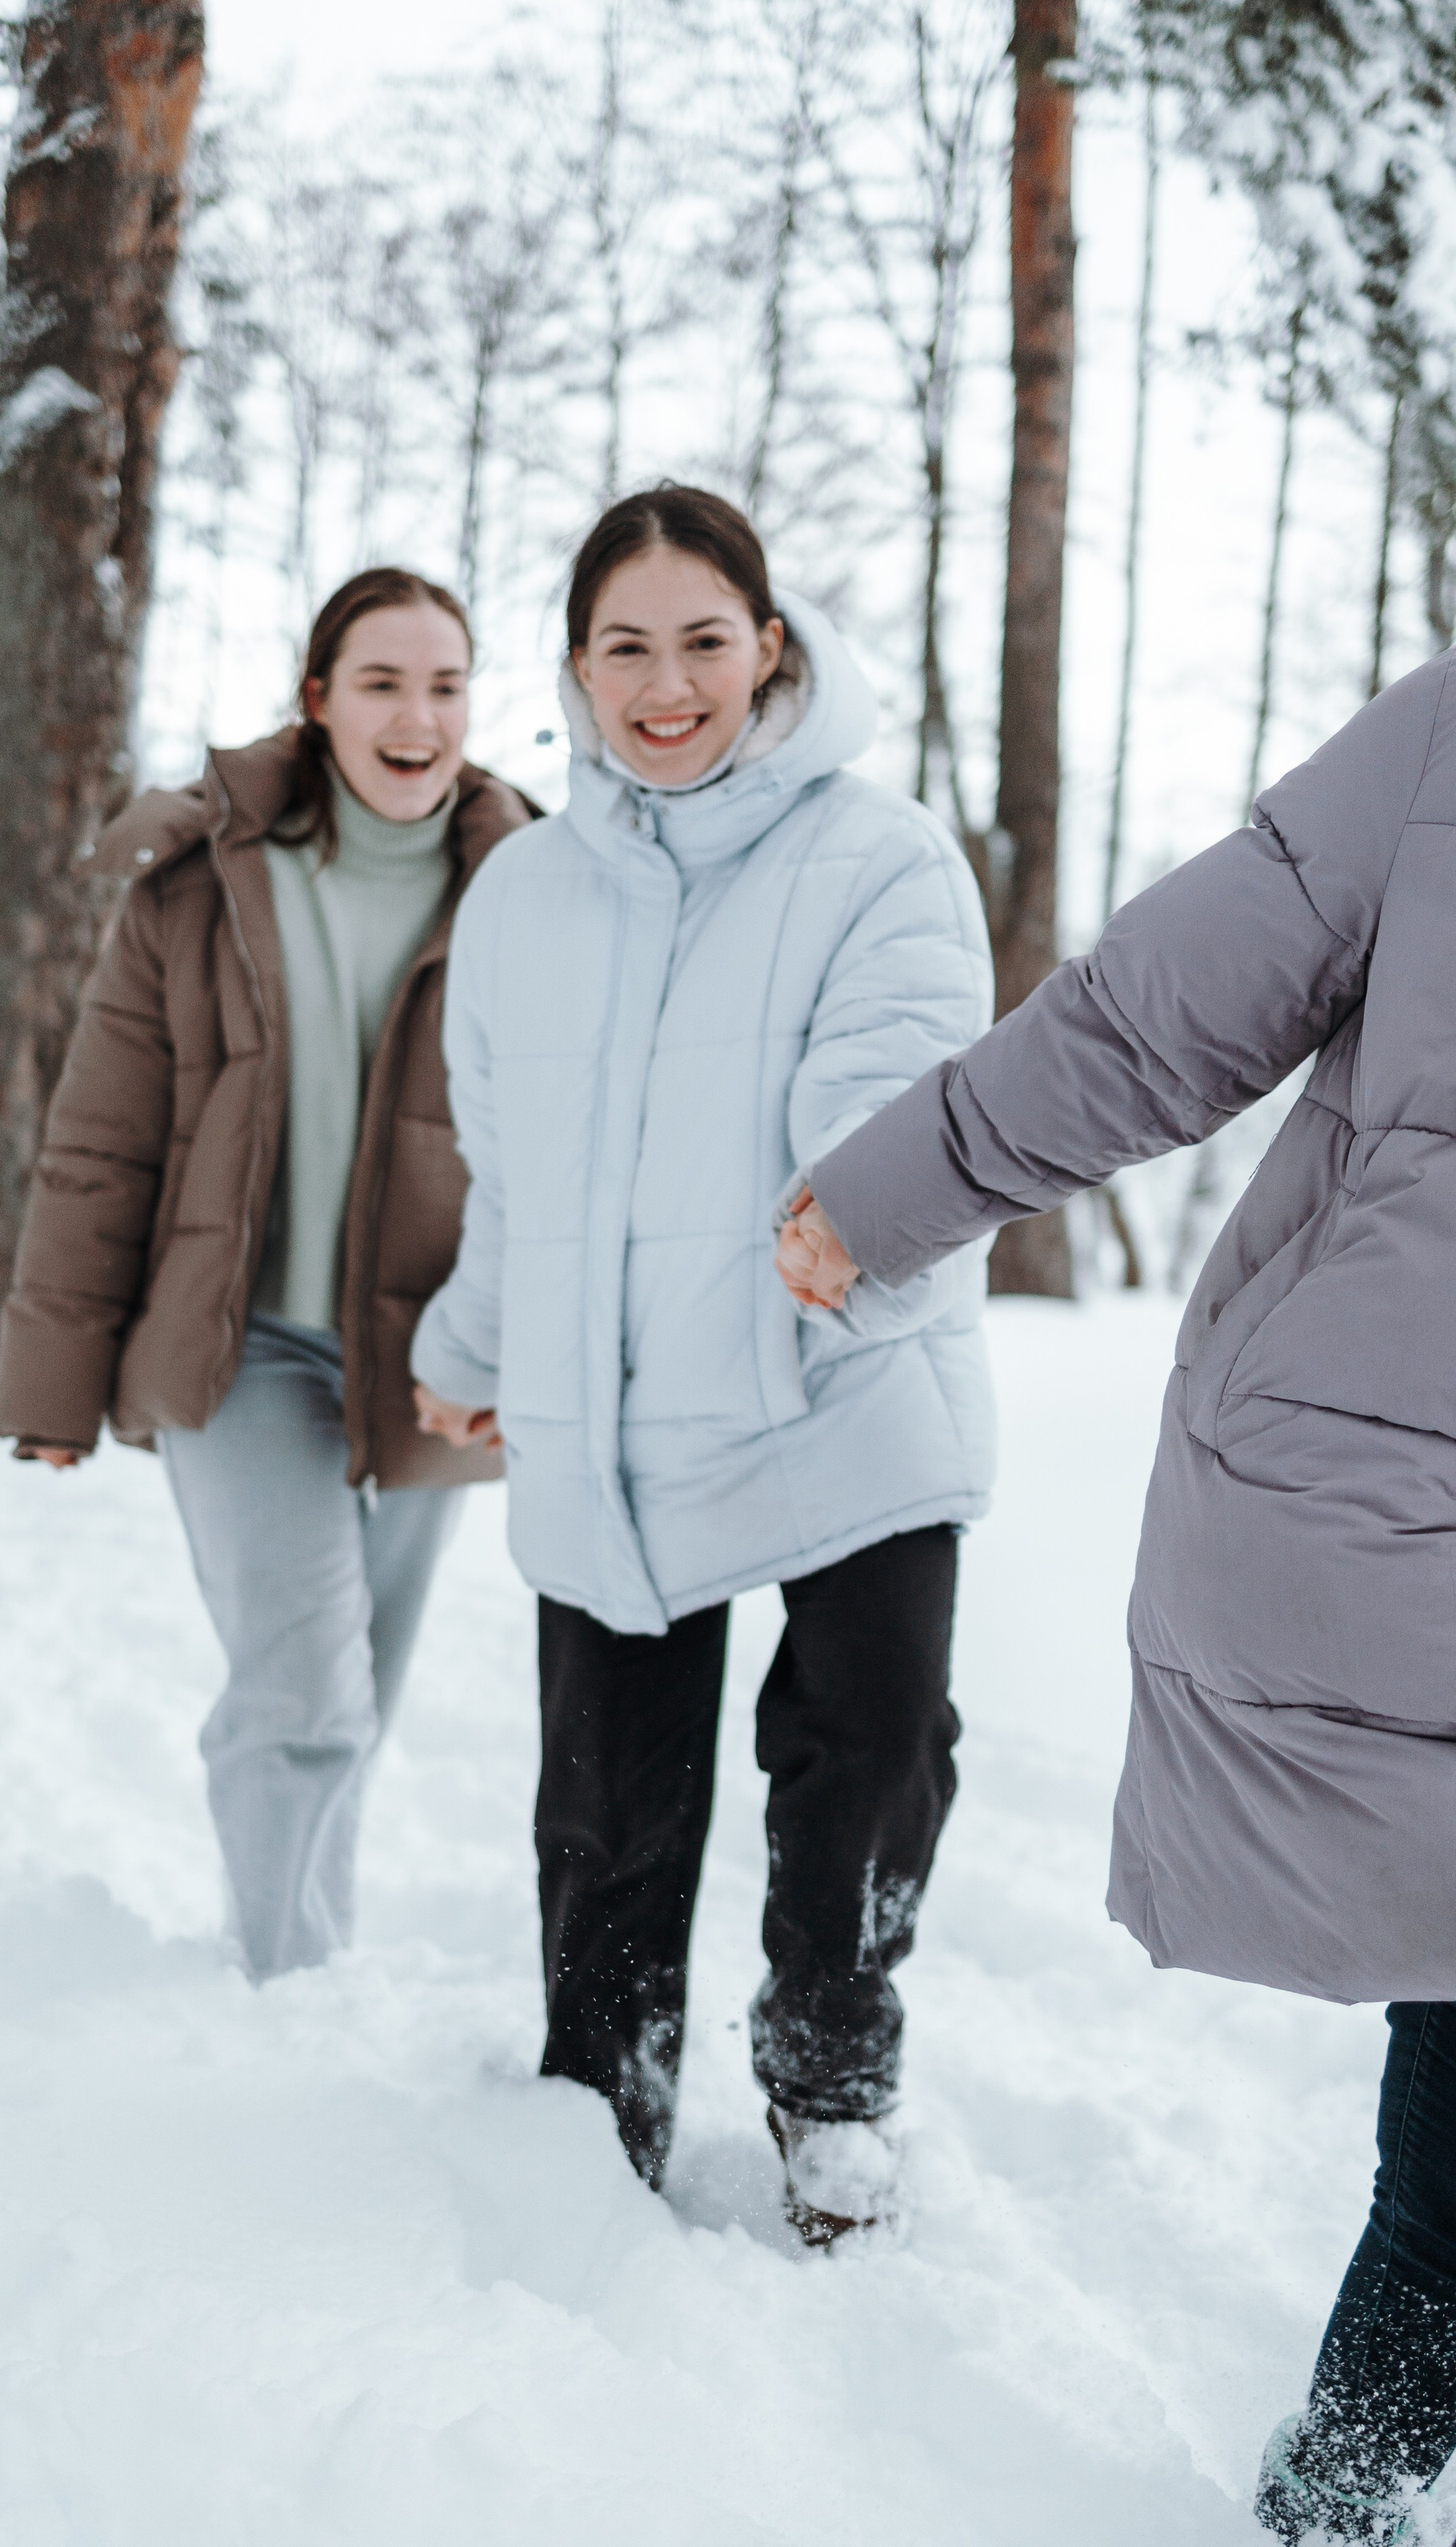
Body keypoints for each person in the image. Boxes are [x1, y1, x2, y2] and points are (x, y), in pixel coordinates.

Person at [778, 650, 1456, 2534]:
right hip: (1411, 1486)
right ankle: (1347, 2489)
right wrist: (903, 1183)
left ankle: (1348, 2480)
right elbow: (1162, 1008)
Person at [410, 484, 996, 2239]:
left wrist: (852, 1227)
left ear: (770, 646)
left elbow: (894, 1109)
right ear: (576, 670)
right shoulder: (521, 894)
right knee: (603, 1796)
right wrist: (473, 1343)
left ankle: (832, 2082)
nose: (667, 687)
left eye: (703, 643)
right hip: (614, 1403)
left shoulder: (878, 856)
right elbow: (506, 1173)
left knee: (865, 1759)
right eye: (624, 648)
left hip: (842, 1379)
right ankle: (599, 2100)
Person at [0, 567, 534, 1980]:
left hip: (439, 1356)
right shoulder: (202, 880)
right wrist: (54, 1383)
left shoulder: (535, 889)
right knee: (300, 1682)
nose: (415, 717)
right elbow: (100, 1145)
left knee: (363, 1689)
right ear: (317, 700)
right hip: (240, 1349)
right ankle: (284, 1982)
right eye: (380, 683)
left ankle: (302, 1942)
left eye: (443, 685)